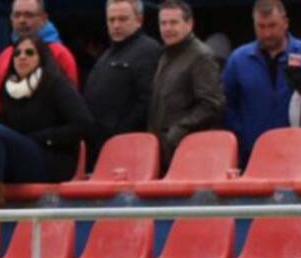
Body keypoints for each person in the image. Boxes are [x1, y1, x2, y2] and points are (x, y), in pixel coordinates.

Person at [0, 36, 92, 209]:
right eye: (17, 53)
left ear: (42, 57)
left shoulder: (56, 84)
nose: (22, 57)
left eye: (29, 52)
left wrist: (43, 138)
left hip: (52, 160)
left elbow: (84, 125)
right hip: (21, 157)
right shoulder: (9, 89)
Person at [222, 0, 301, 166]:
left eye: (272, 25)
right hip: (253, 156)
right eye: (261, 26)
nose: (267, 33)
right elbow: (226, 105)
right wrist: (242, 136)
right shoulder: (238, 60)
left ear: (285, 23)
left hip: (296, 153)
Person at [83, 0, 161, 166]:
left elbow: (147, 101)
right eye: (111, 20)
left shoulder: (148, 50)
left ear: (139, 20)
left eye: (123, 19)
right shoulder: (108, 54)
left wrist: (119, 133)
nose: (116, 25)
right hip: (101, 145)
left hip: (129, 147)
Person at [147, 0, 224, 163]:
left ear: (189, 24)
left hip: (188, 151)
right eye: (163, 23)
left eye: (173, 22)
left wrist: (179, 130)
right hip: (163, 151)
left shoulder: (201, 57)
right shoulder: (166, 55)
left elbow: (212, 104)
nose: (167, 28)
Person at [0, 0, 78, 122]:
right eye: (17, 15)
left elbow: (72, 105)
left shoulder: (61, 55)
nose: (22, 20)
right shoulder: (5, 55)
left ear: (43, 19)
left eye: (29, 15)